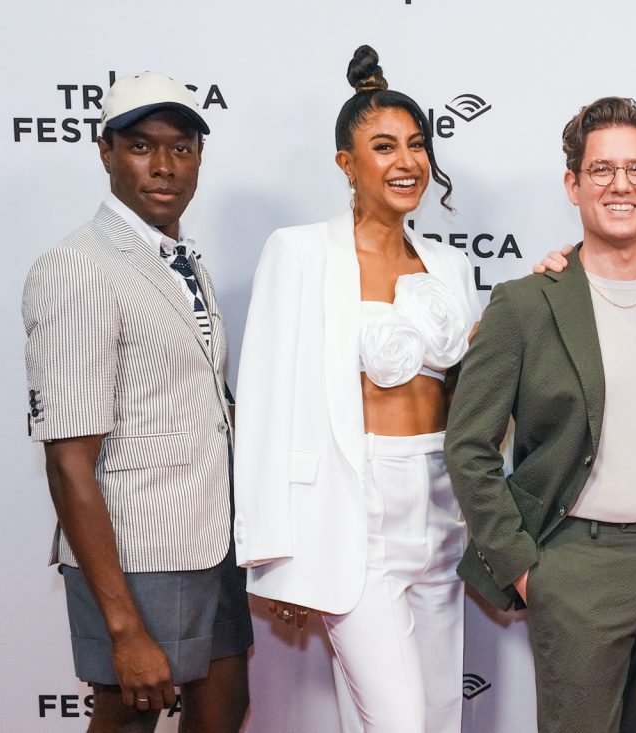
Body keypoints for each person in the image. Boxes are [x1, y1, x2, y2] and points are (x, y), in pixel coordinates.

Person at [446, 96, 636, 733]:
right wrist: (519, 564)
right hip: (577, 565)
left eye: (635, 170)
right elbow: (468, 446)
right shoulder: (525, 304)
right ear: (573, 184)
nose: (619, 184)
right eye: (601, 170)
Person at [233, 45, 477, 732]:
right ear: (347, 163)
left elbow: (473, 389)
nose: (407, 162)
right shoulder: (300, 253)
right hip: (351, 519)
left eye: (417, 145)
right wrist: (273, 551)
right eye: (383, 146)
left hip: (442, 509)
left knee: (437, 714)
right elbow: (263, 402)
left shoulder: (451, 266)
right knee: (397, 720)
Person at [22, 71, 249, 733]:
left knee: (224, 712)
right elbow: (69, 460)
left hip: (213, 541)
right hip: (135, 552)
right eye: (142, 146)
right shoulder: (79, 267)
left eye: (181, 148)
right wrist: (123, 625)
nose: (164, 165)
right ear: (106, 153)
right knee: (126, 723)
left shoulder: (180, 262)